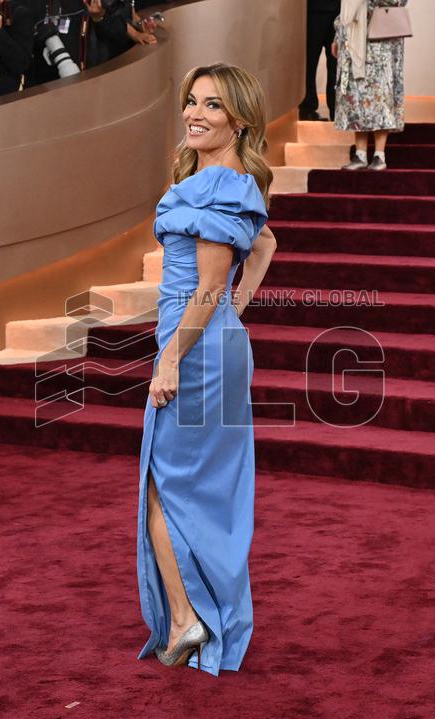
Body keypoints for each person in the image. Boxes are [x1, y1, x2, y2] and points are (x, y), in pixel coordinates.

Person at [137, 63, 277, 676]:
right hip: (212, 343)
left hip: (192, 350)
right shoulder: (223, 180)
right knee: (192, 488)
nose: (194, 113)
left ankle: (189, 619)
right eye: (191, 102)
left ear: (237, 120)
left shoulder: (221, 183)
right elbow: (266, 246)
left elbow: (208, 289)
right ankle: (195, 614)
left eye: (212, 106)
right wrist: (232, 319)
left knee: (162, 485)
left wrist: (171, 358)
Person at [332, 0, 407, 171]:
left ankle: (379, 155)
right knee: (357, 96)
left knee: (380, 95)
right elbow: (347, 6)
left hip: (380, 40)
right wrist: (338, 35)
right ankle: (360, 154)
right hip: (353, 37)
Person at [299, 0, 340, 121]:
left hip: (339, 13)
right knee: (309, 63)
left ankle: (337, 109)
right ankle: (307, 108)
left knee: (337, 65)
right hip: (313, 11)